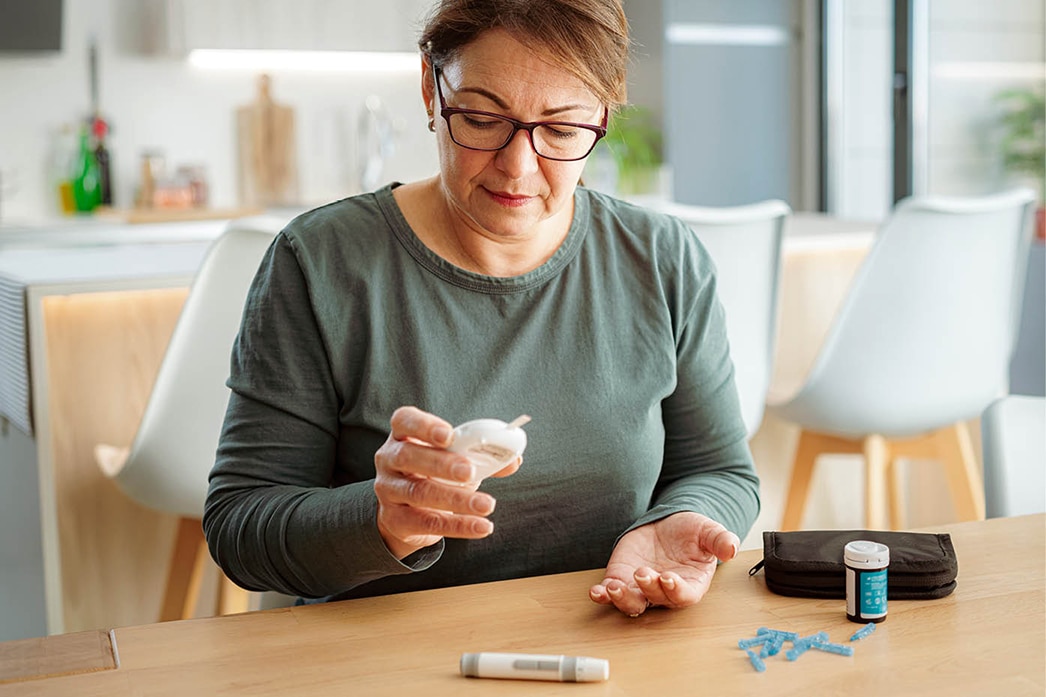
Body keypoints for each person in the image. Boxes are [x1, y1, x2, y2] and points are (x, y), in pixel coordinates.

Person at [203, 0, 760, 618]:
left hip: (607, 640)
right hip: (381, 659)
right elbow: (241, 528)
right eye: (480, 116)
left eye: (563, 129)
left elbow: (721, 469)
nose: (518, 166)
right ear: (428, 87)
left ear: (604, 112)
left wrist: (681, 520)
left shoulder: (662, 257)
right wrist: (383, 520)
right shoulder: (321, 262)